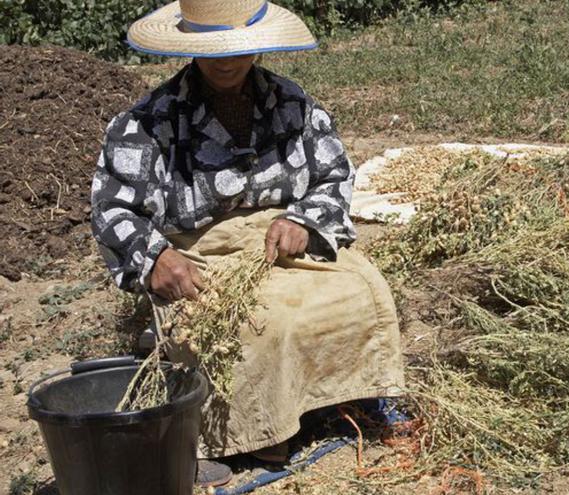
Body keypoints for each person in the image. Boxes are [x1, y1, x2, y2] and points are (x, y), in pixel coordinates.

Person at [90, 0, 404, 487]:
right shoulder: (150, 121)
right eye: (213, 50)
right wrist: (154, 257)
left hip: (276, 243)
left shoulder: (291, 104)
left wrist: (304, 220)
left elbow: (334, 175)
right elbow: (113, 207)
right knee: (262, 323)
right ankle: (256, 433)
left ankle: (326, 399)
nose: (227, 61)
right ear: (191, 49)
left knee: (363, 291)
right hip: (199, 250)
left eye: (238, 49)